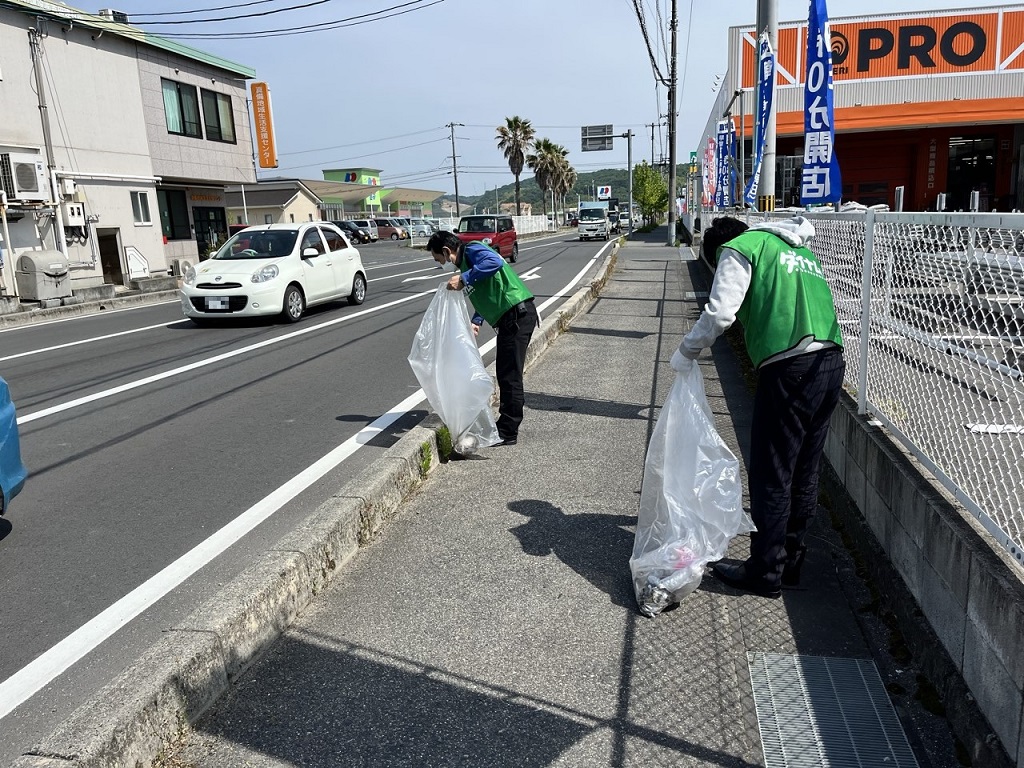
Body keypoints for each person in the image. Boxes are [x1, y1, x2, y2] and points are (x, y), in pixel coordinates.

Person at [672, 215, 845, 598]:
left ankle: (765, 571)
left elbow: (720, 312)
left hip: (790, 367)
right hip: (831, 362)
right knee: (805, 470)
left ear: (718, 251)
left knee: (772, 475)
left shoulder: (739, 249)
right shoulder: (796, 248)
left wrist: (687, 350)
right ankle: (790, 563)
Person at [426, 230, 539, 446]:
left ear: (447, 251)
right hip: (509, 318)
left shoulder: (473, 250)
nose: (440, 265)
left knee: (510, 376)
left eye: (438, 260)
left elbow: (494, 262)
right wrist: (477, 320)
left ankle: (508, 431)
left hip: (517, 314)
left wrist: (465, 277)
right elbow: (486, 289)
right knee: (505, 372)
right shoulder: (466, 264)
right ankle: (506, 426)